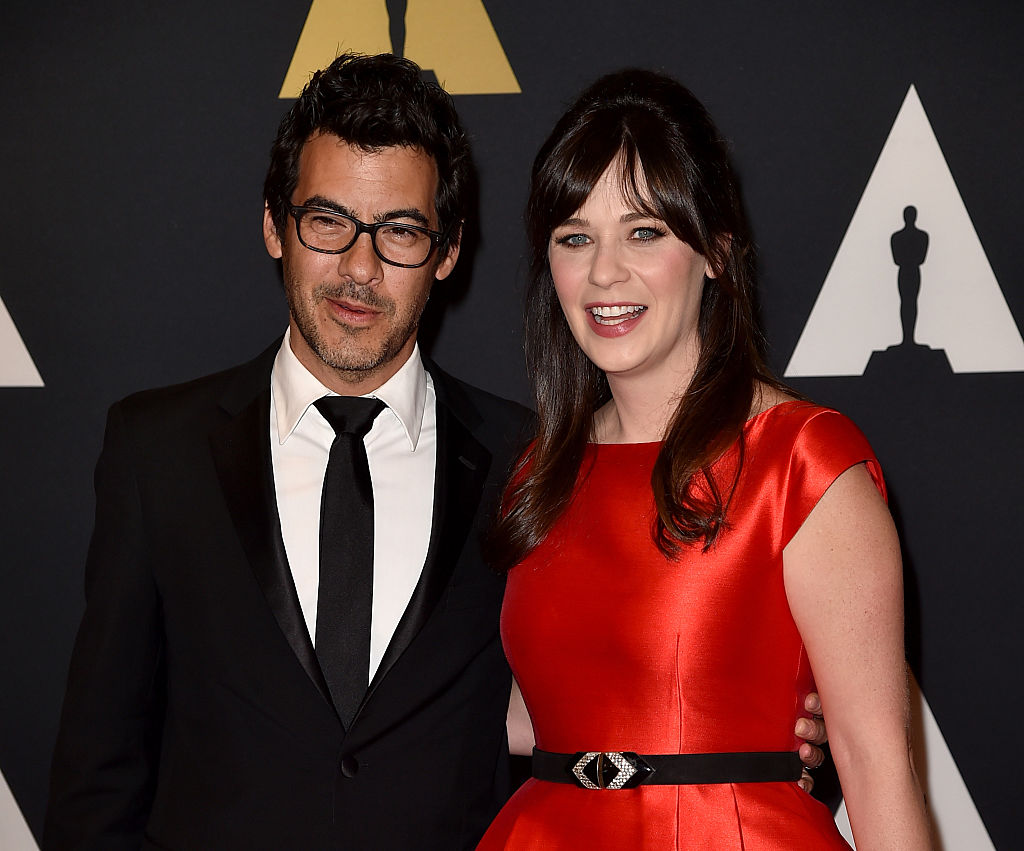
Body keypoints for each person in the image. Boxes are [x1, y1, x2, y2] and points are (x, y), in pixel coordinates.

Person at [44, 54, 827, 850]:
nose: (360, 267)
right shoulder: (158, 451)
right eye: (328, 221)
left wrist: (760, 731)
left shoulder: (537, 463)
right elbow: (96, 778)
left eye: (400, 232)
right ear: (275, 225)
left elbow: (605, 679)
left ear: (447, 251)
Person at [481, 70, 931, 849]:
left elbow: (877, 766)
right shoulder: (538, 471)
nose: (604, 272)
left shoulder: (803, 465)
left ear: (716, 251)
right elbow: (527, 715)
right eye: (575, 237)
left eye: (645, 232)